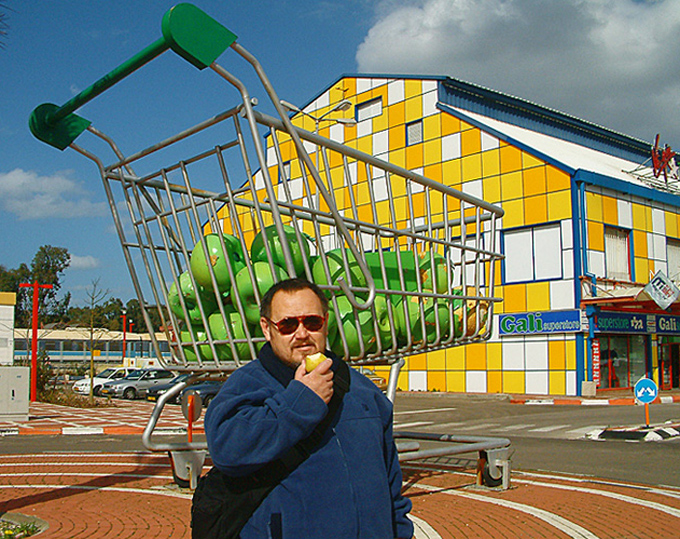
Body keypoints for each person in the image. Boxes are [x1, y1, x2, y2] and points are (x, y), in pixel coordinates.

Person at [204, 278, 414, 539]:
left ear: (325, 322)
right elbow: (228, 449)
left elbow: (390, 481)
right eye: (288, 324)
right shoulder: (247, 384)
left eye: (312, 322)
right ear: (267, 329)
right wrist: (299, 402)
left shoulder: (363, 391)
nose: (301, 333)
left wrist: (401, 532)